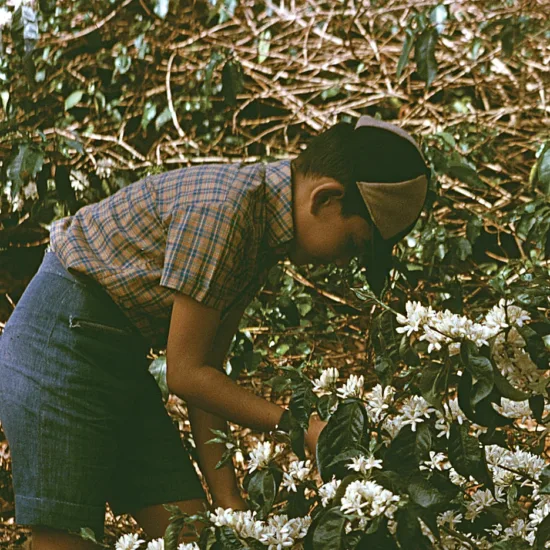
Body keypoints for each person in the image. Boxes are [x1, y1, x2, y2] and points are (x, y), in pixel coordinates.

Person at [0, 115, 430, 549]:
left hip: (116, 356)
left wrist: (230, 504)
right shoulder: (226, 210)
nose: (343, 263)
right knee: (64, 538)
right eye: (353, 244)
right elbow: (184, 374)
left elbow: (204, 375)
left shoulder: (261, 232)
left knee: (196, 535)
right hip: (57, 341)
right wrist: (301, 428)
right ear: (325, 200)